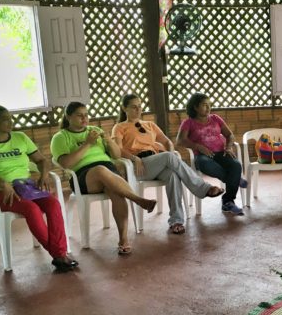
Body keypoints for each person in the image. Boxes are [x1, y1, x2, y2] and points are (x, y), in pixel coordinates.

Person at [0, 105, 77, 273]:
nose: (10, 122)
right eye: (4, 119)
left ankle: (59, 254)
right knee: (31, 209)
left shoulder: (20, 137)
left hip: (27, 187)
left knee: (53, 204)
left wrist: (43, 175)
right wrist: (2, 183)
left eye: (10, 118)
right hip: (2, 192)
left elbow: (41, 160)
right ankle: (59, 255)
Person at [51, 101, 156, 256]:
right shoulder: (60, 137)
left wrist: (108, 140)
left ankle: (123, 240)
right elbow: (66, 163)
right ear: (68, 117)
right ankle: (137, 199)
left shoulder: (95, 130)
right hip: (83, 177)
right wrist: (87, 144)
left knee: (116, 192)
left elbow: (116, 155)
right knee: (100, 170)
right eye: (79, 116)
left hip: (109, 170)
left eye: (86, 115)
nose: (84, 119)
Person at [112, 94, 224, 235]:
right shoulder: (119, 127)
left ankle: (176, 221)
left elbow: (167, 142)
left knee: (173, 175)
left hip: (155, 161)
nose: (138, 109)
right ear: (124, 108)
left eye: (140, 106)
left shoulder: (150, 125)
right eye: (134, 107)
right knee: (169, 158)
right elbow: (118, 149)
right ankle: (202, 188)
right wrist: (135, 158)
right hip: (137, 166)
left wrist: (170, 157)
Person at [176, 93, 247, 216]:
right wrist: (197, 146)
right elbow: (180, 140)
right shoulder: (188, 122)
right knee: (207, 164)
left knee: (236, 165)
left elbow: (230, 135)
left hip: (221, 152)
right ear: (195, 107)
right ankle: (234, 180)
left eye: (210, 105)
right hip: (203, 156)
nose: (208, 108)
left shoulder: (215, 118)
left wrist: (229, 147)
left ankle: (228, 202)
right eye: (204, 105)